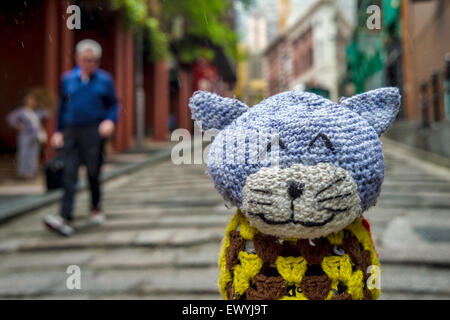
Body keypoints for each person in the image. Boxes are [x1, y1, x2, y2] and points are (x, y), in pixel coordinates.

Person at [43, 39, 119, 237]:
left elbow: (113, 104)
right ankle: (64, 217)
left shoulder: (105, 80)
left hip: (94, 130)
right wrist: (58, 131)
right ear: (78, 59)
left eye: (94, 60)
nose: (90, 64)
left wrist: (109, 121)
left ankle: (95, 206)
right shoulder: (67, 79)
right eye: (86, 60)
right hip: (71, 131)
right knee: (69, 172)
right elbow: (62, 107)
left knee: (93, 171)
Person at [7, 89, 51, 179]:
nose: (32, 103)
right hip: (25, 135)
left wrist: (42, 104)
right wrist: (18, 126)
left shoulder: (37, 112)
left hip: (35, 135)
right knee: (23, 153)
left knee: (33, 153)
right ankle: (23, 172)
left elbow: (47, 114)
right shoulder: (21, 111)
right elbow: (10, 118)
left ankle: (31, 172)